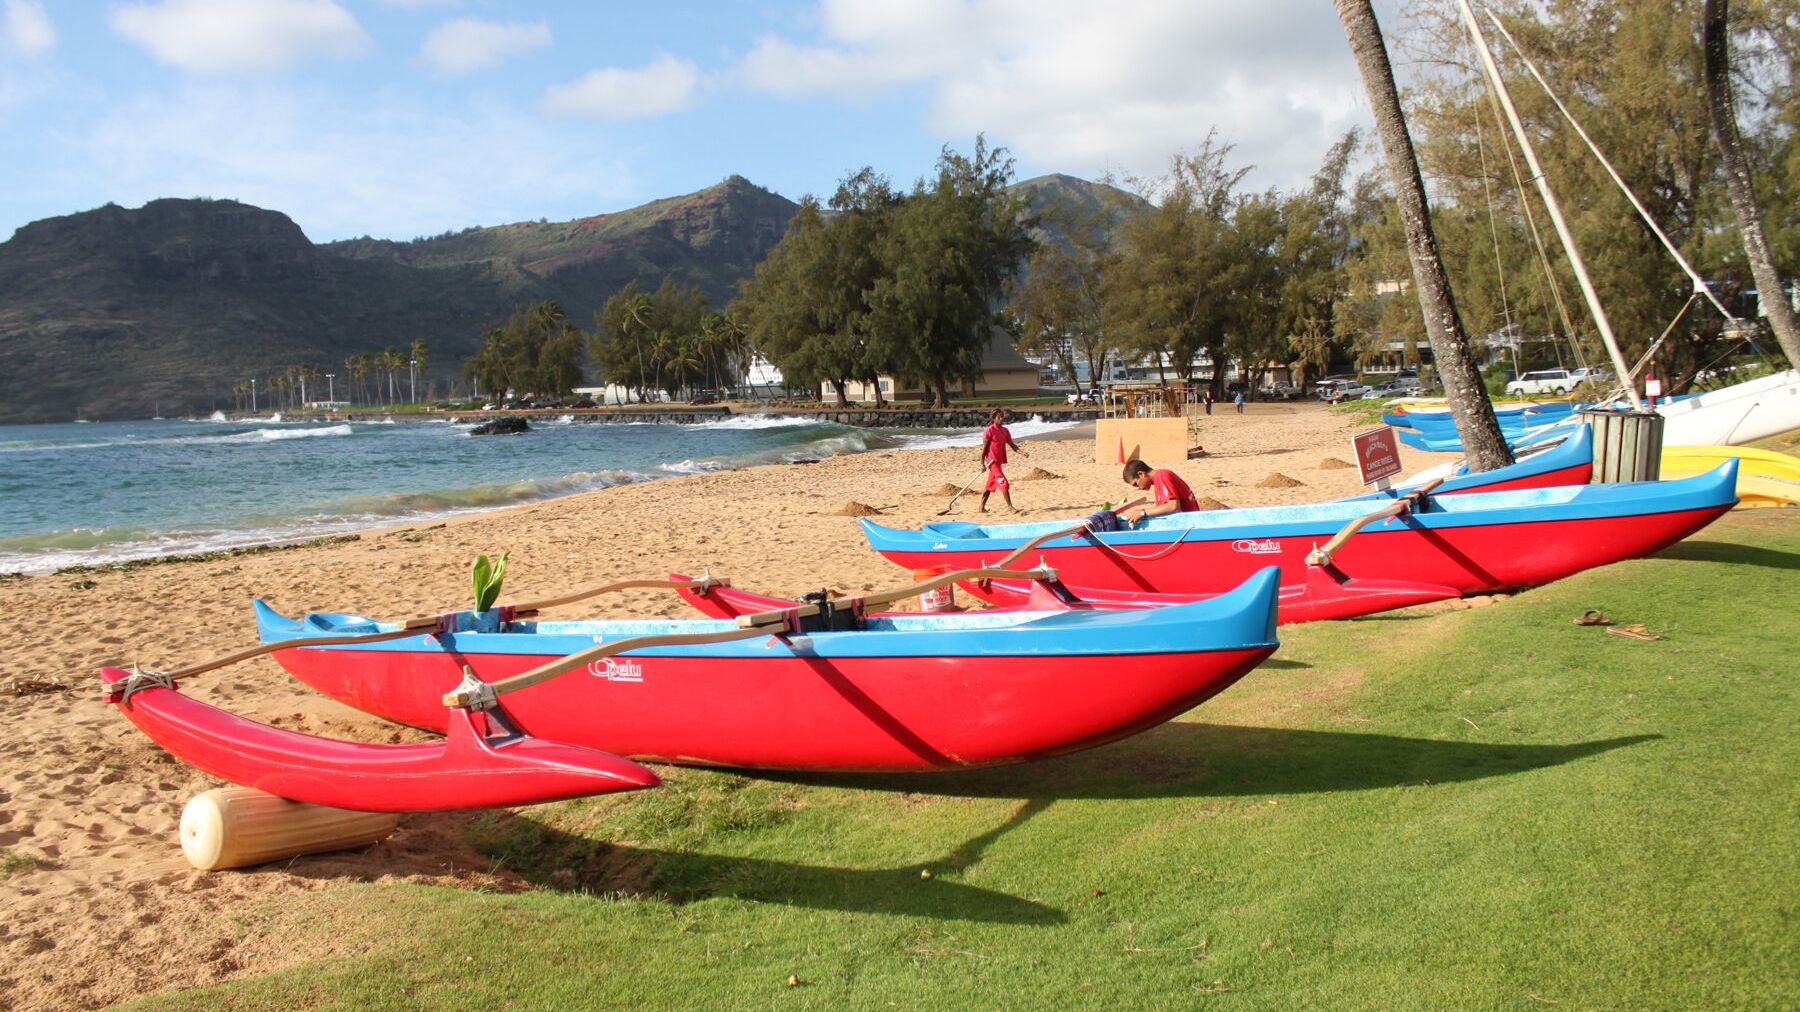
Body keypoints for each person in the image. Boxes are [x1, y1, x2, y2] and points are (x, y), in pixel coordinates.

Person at [978, 408, 1028, 513]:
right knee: (1003, 482)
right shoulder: (989, 431)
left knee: (990, 485)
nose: (1001, 419)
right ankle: (1010, 506)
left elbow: (1012, 445)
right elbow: (984, 449)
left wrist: (1022, 452)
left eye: (1002, 417)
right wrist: (982, 463)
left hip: (998, 462)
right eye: (999, 417)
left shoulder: (1005, 431)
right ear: (993, 418)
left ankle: (981, 507)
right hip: (991, 462)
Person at [1119, 458, 1200, 523]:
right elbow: (1165, 508)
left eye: (1136, 484)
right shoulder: (1159, 480)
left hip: (1189, 526)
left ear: (1141, 474)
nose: (1139, 488)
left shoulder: (1162, 476)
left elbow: (1173, 506)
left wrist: (1142, 513)